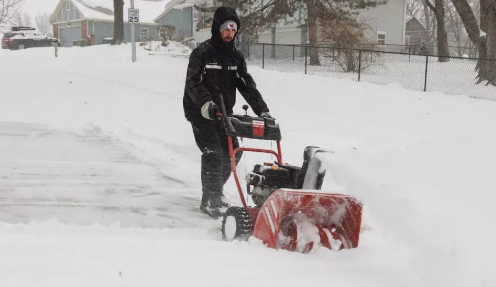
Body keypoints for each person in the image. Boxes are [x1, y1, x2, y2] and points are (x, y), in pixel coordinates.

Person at [183, 7, 272, 218]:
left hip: (223, 112)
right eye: (226, 28)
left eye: (233, 29)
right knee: (213, 151)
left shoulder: (235, 56)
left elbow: (246, 85)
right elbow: (193, 82)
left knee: (234, 152)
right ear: (217, 28)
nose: (229, 33)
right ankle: (211, 200)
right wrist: (206, 104)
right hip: (200, 111)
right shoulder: (202, 52)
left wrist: (263, 111)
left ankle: (215, 191)